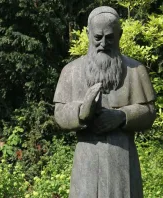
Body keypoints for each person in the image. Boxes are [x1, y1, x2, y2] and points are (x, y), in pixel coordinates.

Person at [53, 6, 156, 198]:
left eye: (109, 37)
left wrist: (121, 116)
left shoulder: (135, 70)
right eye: (97, 37)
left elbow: (149, 112)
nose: (103, 43)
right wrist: (81, 112)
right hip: (87, 157)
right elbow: (59, 113)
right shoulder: (71, 71)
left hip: (123, 156)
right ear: (88, 33)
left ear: (120, 35)